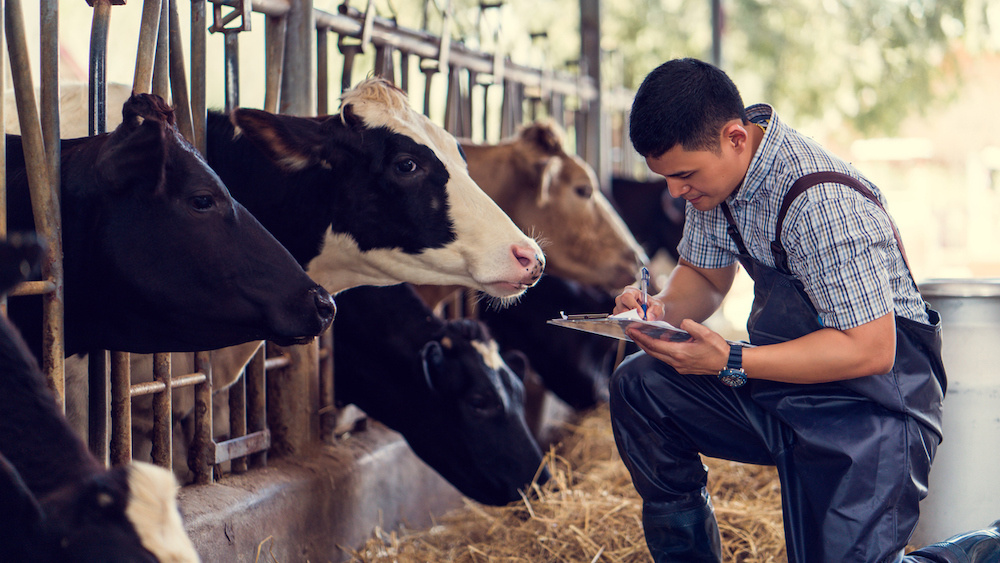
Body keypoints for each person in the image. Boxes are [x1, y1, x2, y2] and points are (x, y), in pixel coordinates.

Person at [609, 57, 1000, 563]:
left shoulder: (821, 201)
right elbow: (706, 278)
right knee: (641, 385)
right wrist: (657, 307)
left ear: (735, 138)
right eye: (665, 177)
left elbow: (872, 349)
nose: (675, 191)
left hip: (874, 408)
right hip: (790, 386)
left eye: (683, 175)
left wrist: (730, 359)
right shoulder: (716, 185)